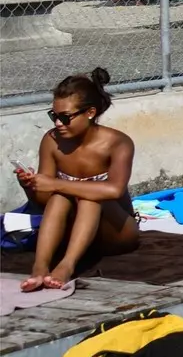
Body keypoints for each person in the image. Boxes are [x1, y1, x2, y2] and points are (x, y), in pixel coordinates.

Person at [13, 69, 139, 292]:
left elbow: (115, 190)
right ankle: (40, 267)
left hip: (116, 232)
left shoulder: (117, 142)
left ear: (90, 113)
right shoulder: (52, 141)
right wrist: (31, 186)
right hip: (73, 233)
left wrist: (55, 183)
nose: (58, 123)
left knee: (90, 196)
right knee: (59, 198)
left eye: (65, 117)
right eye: (53, 116)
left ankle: (66, 266)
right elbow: (43, 200)